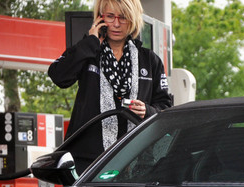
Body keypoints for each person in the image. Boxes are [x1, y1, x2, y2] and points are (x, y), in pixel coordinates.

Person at [49, 0, 173, 173]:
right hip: (88, 163)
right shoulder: (88, 52)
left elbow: (166, 109)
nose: (116, 24)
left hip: (137, 163)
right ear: (100, 18)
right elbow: (58, 76)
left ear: (133, 19)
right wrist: (90, 41)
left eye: (123, 18)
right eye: (110, 16)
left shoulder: (150, 60)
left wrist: (147, 111)